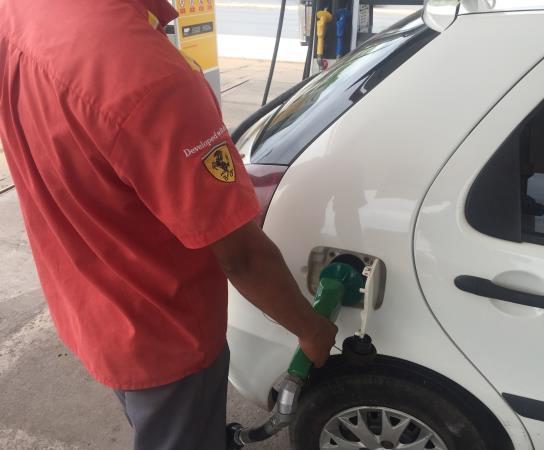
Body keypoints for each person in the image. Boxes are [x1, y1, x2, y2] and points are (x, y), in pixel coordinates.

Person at [0, 0, 337, 449]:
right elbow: (241, 255)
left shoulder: (21, 11)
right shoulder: (151, 79)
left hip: (88, 307)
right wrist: (311, 329)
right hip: (165, 337)